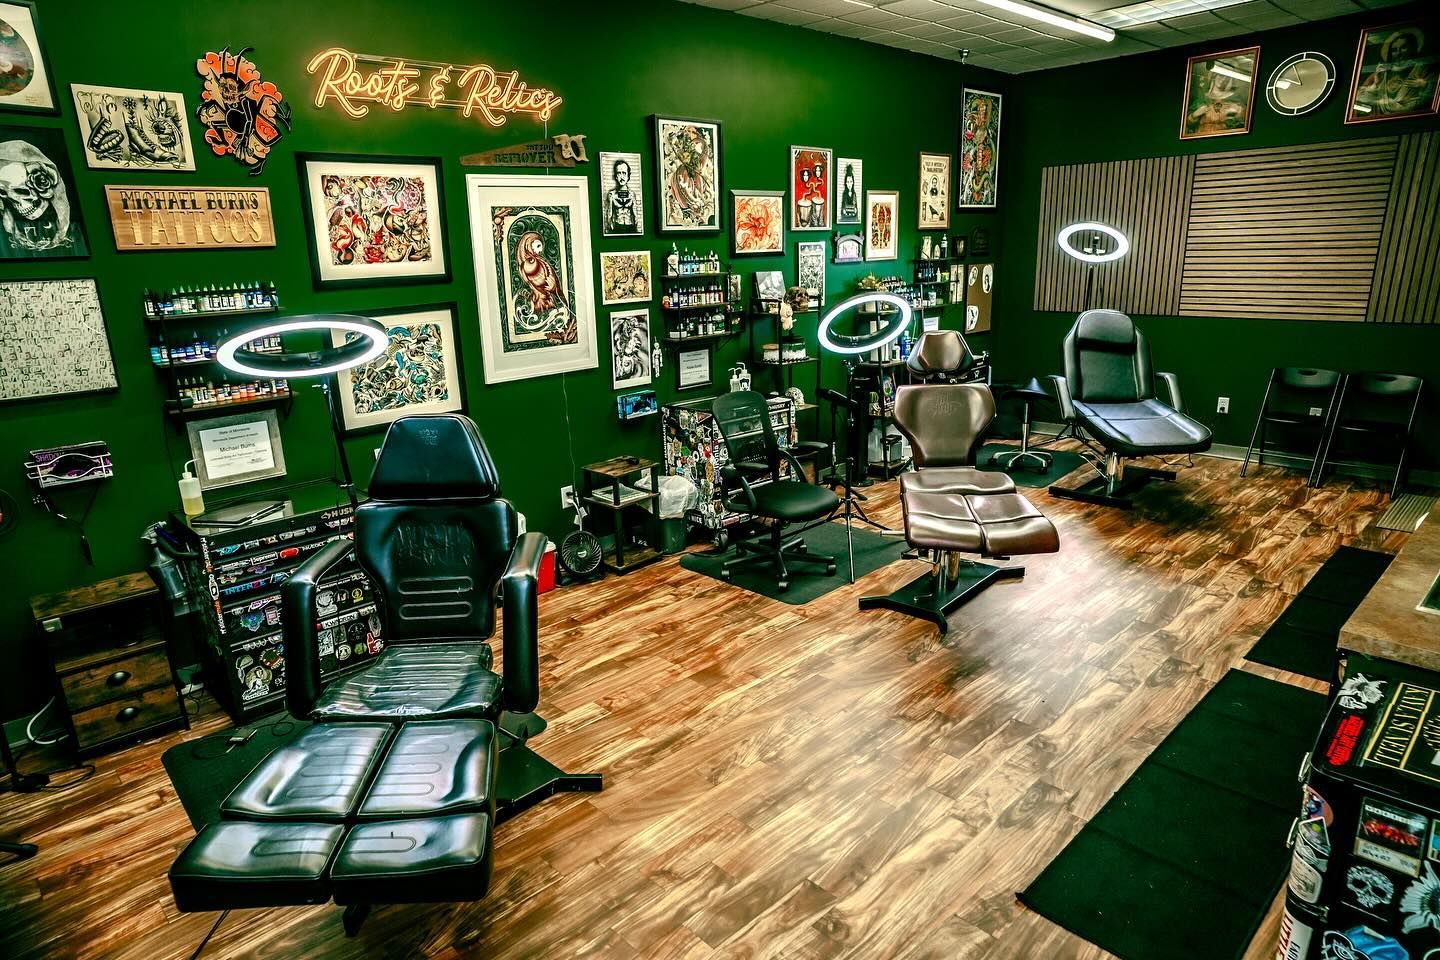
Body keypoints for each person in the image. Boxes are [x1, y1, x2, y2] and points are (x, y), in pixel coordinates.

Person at [605, 157, 638, 234]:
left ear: (628, 176)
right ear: (616, 176)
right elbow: (609, 214)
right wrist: (611, 228)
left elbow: (635, 214)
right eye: (619, 173)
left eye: (624, 173)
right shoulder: (612, 195)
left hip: (630, 227)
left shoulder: (632, 194)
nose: (622, 177)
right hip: (617, 226)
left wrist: (635, 228)